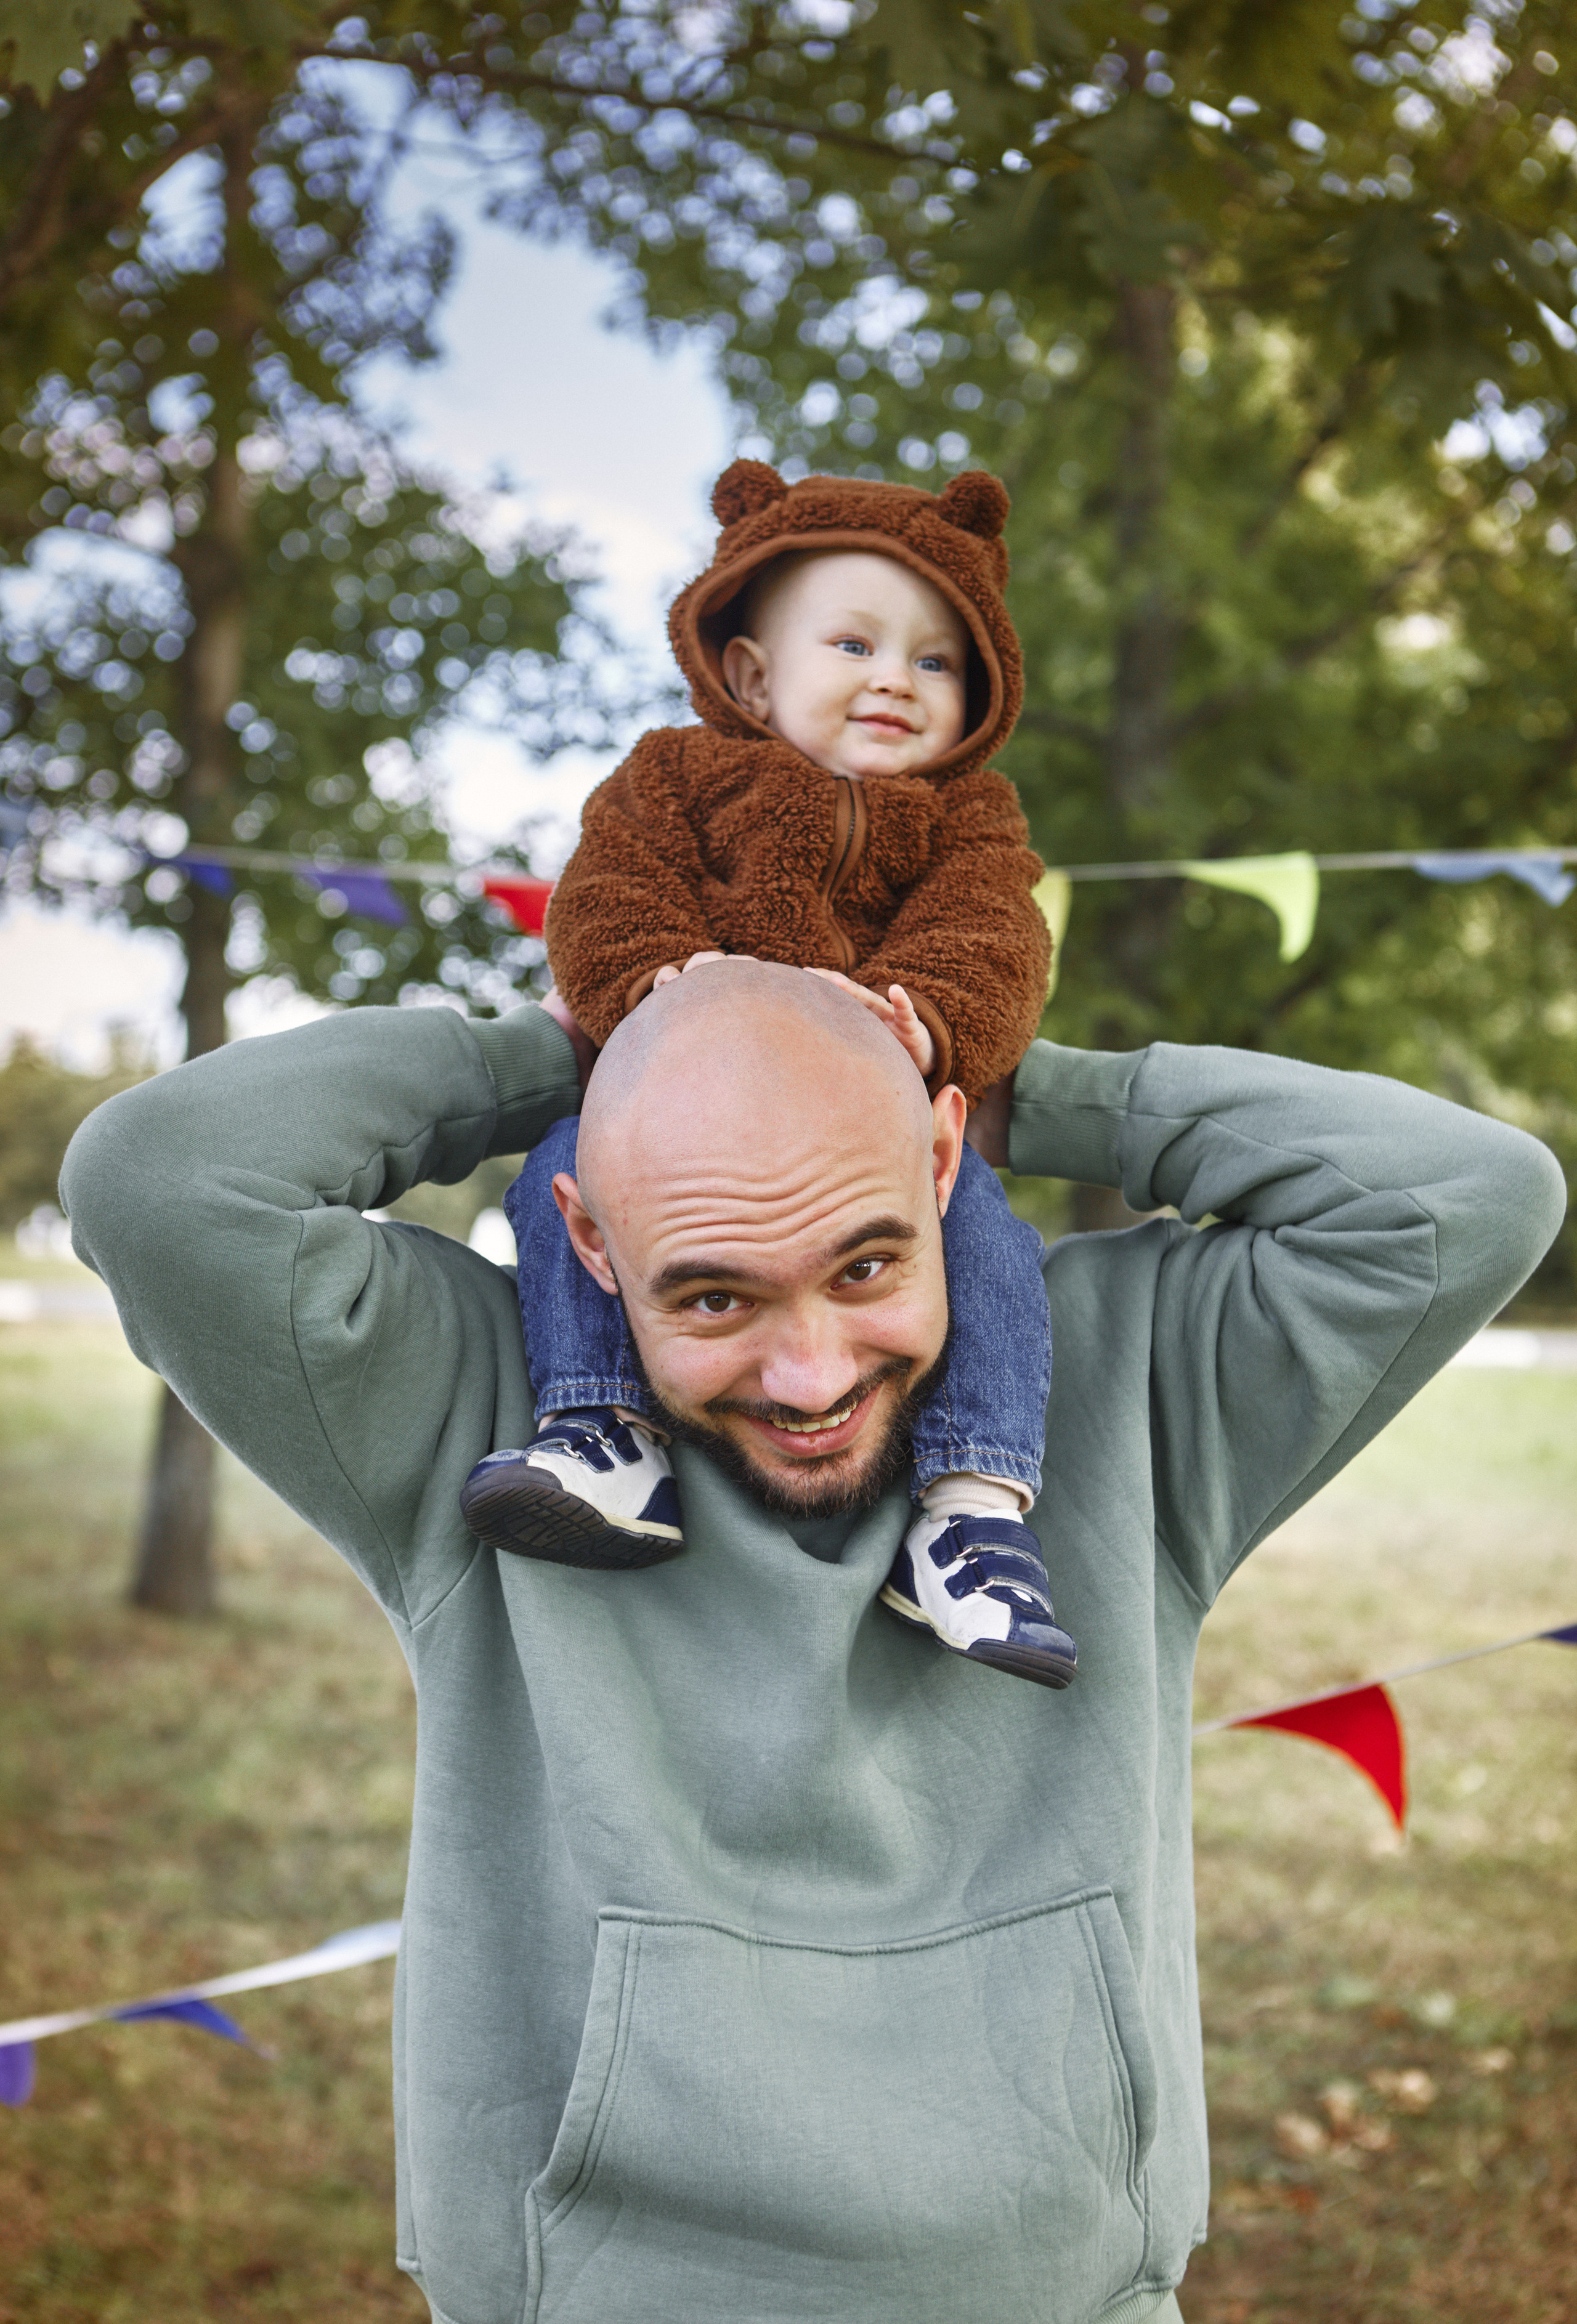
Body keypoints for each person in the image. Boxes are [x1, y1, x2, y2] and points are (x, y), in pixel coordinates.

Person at [63, 959, 1562, 2324]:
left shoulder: (1128, 1381)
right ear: (586, 1235)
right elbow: (160, 1180)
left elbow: (1463, 1194)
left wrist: (1008, 1074)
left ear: (934, 1157)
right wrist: (587, 1046)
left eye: (864, 1267)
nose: (808, 1374)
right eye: (711, 1293)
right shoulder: (489, 1418)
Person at [463, 458, 1077, 1684]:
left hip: (877, 1141)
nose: (896, 679)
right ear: (748, 673)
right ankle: (600, 1426)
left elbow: (997, 941)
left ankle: (971, 1511)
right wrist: (645, 988)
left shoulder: (968, 820)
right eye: (852, 644)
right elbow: (603, 901)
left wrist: (931, 1025)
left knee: (991, 1244)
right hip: (675, 1136)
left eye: (936, 659)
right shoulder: (669, 780)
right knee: (556, 1180)